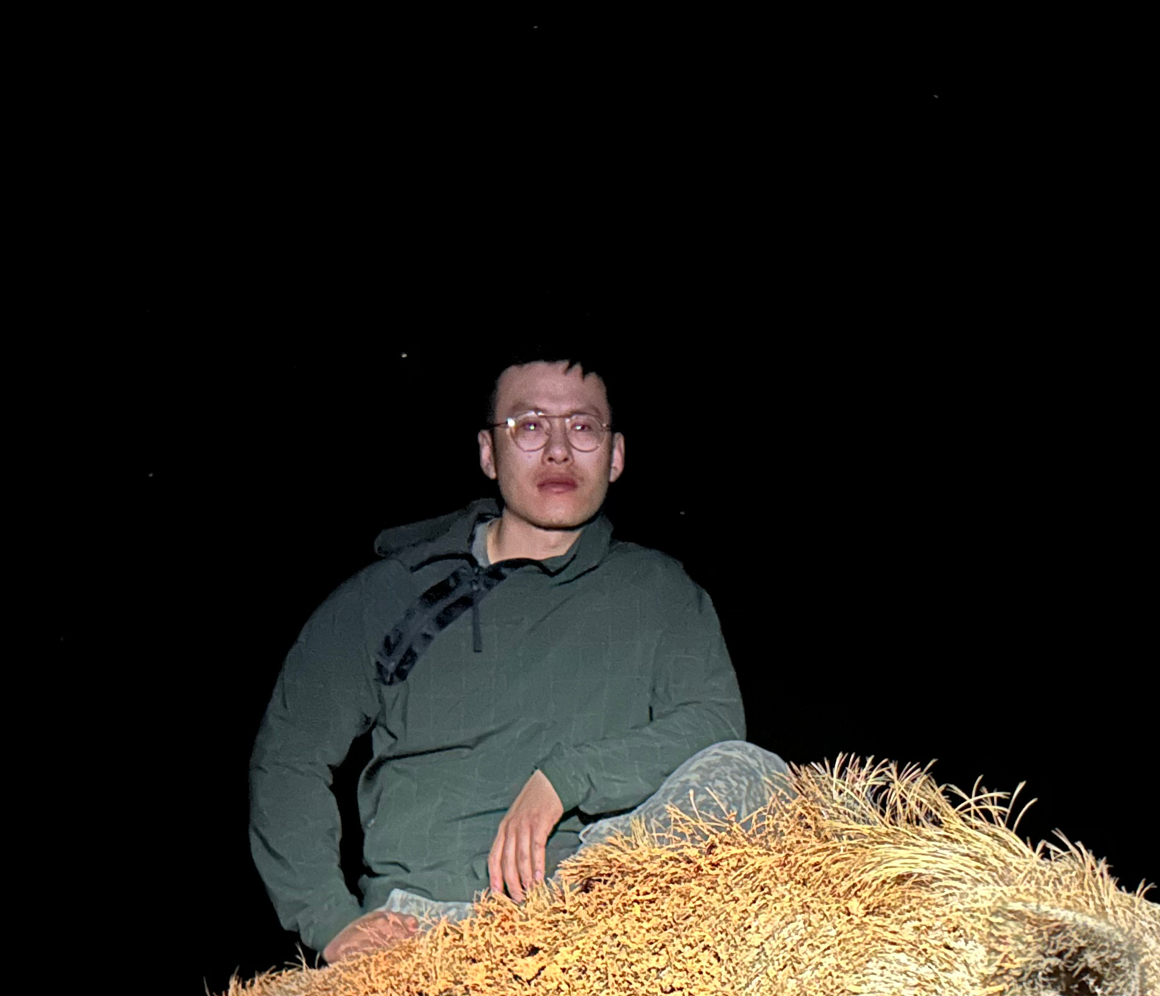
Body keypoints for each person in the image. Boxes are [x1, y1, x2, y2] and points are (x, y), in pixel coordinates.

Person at [250, 356, 785, 965]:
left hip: (596, 909)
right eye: (529, 427)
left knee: (756, 777)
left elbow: (714, 726)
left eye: (583, 428)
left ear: (615, 455)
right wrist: (330, 920)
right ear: (488, 452)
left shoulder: (660, 591)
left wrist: (566, 777)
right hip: (430, 925)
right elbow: (289, 755)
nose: (558, 451)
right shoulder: (387, 594)